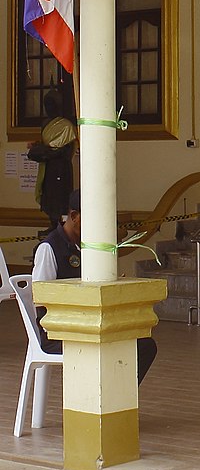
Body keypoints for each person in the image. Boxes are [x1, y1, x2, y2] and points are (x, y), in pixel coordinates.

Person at [32, 189, 157, 385]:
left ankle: (117, 395)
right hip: (61, 331)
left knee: (143, 345)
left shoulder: (88, 247)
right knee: (111, 346)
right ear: (74, 216)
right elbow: (39, 299)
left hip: (91, 324)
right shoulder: (49, 248)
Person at [25, 90, 76, 232]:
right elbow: (47, 145)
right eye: (46, 105)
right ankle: (53, 224)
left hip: (60, 167)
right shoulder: (46, 123)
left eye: (51, 105)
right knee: (47, 197)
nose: (49, 108)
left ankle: (59, 226)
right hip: (47, 167)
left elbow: (62, 150)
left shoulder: (66, 125)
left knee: (59, 197)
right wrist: (39, 148)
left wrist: (43, 151)